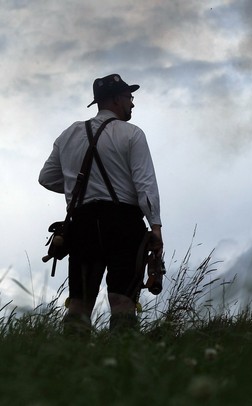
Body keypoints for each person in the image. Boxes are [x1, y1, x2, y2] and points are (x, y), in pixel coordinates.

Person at [39, 74, 163, 335]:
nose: (132, 103)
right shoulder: (132, 134)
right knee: (122, 301)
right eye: (129, 97)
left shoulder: (69, 134)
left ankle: (71, 360)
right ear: (116, 99)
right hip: (123, 223)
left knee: (79, 303)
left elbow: (47, 178)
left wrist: (79, 188)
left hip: (82, 223)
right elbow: (145, 186)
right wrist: (156, 227)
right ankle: (122, 359)